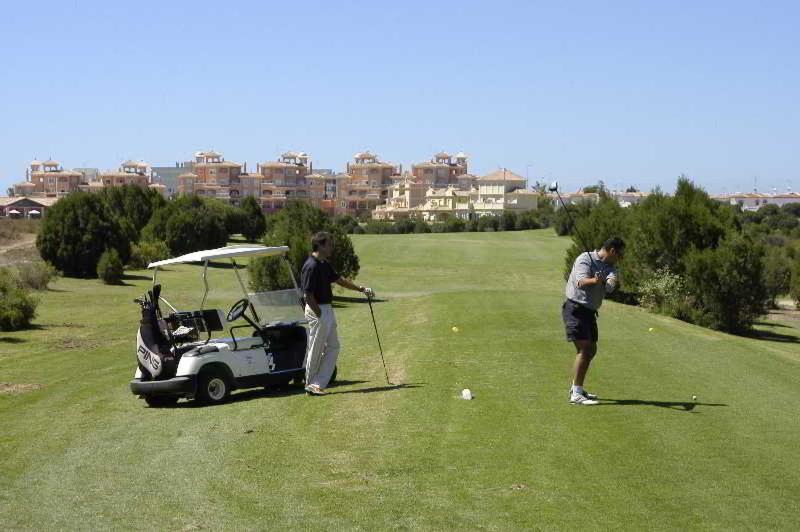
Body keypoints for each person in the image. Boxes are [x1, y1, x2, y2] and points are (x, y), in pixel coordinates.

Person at [301, 231, 373, 396]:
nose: (331, 247)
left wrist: (361, 289)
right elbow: (307, 295)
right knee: (316, 348)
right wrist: (319, 314)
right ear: (320, 245)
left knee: (334, 346)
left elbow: (339, 280)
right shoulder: (311, 265)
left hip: (326, 308)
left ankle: (317, 383)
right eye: (329, 244)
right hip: (316, 309)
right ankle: (310, 383)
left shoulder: (324, 264)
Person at [562, 236, 625, 405]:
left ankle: (576, 388)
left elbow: (611, 285)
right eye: (620, 254)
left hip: (589, 312)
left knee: (591, 349)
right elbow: (580, 282)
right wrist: (594, 280)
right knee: (585, 349)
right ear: (612, 250)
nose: (620, 258)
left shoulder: (611, 266)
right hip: (575, 308)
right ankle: (576, 394)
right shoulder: (584, 258)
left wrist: (606, 280)